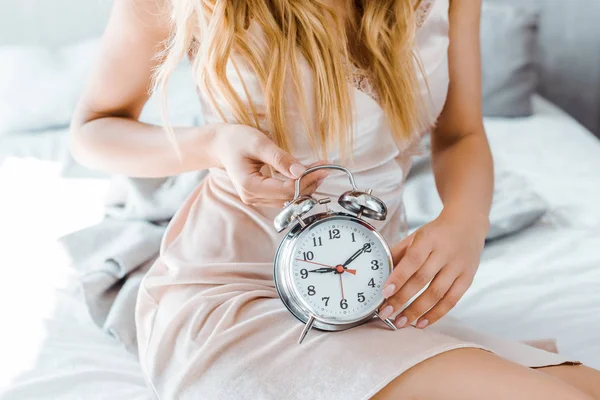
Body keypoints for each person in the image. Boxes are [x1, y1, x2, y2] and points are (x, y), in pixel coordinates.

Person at [70, 0, 600, 398]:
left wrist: (466, 219)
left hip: (371, 293)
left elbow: (461, 134)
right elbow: (93, 129)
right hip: (232, 296)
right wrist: (212, 143)